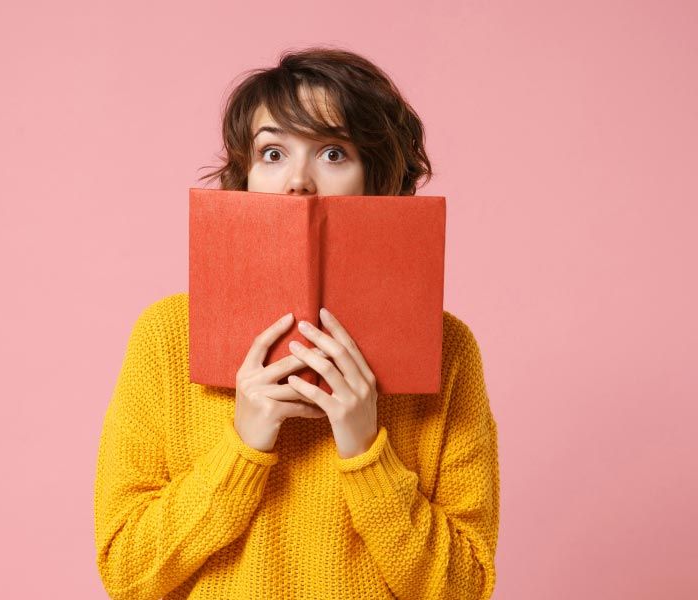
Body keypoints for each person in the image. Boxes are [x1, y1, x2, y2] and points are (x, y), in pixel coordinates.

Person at [94, 47, 500, 600]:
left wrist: (366, 451)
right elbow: (127, 572)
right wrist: (241, 446)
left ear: (377, 179)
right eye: (273, 152)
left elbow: (466, 589)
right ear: (245, 175)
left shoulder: (447, 347)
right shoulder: (167, 335)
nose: (298, 183)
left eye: (334, 153)